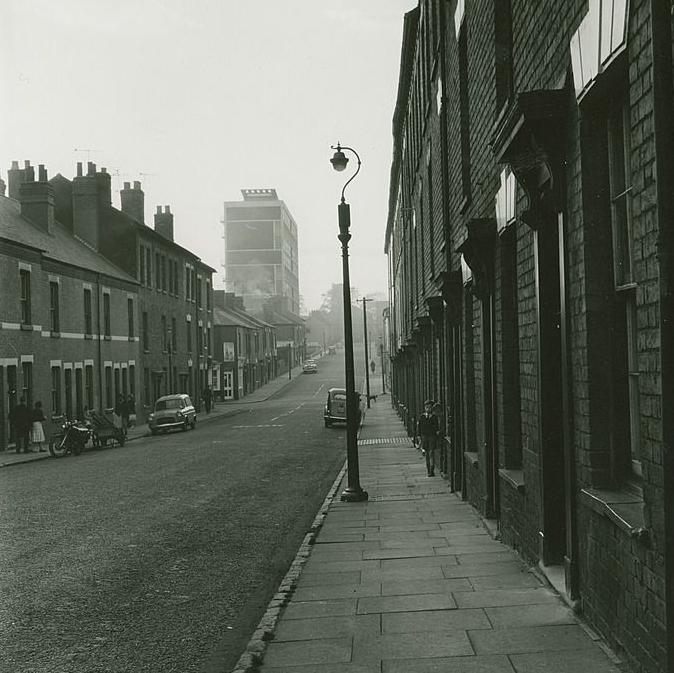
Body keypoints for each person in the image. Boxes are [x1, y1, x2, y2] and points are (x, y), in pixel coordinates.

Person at [416, 399, 440, 477]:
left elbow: (436, 427)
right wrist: (419, 437)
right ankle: (428, 470)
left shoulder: (434, 417)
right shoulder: (422, 417)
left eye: (429, 407)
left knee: (431, 453)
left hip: (432, 437)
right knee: (427, 453)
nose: (428, 409)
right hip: (424, 437)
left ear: (431, 408)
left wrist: (436, 433)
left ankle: (432, 470)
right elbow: (419, 428)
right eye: (426, 407)